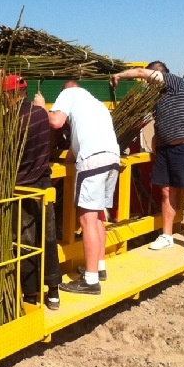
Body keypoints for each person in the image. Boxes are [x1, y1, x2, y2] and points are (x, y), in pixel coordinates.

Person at [111, 62, 184, 257]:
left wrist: (119, 75)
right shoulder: (157, 97)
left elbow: (139, 72)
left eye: (150, 78)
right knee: (164, 192)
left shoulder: (175, 83)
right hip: (164, 150)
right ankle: (167, 236)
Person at [34, 81, 120, 295]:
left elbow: (55, 121)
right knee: (98, 215)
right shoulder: (97, 105)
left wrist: (41, 107)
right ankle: (99, 268)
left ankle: (90, 282)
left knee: (87, 219)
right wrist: (62, 170)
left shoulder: (69, 93)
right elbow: (74, 148)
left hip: (93, 160)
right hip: (112, 158)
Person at [2, 74, 63, 310]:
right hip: (43, 185)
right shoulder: (39, 113)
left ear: (7, 95)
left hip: (20, 188)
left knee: (25, 239)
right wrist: (43, 105)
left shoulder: (7, 122)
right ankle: (54, 291)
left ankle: (30, 294)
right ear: (25, 93)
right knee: (48, 238)